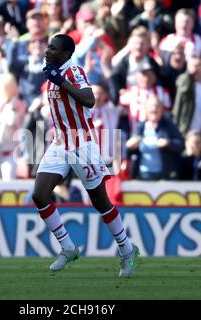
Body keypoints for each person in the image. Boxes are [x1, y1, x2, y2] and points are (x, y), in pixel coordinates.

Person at [32, 34, 139, 277]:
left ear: (66, 54)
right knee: (39, 195)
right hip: (60, 142)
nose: (48, 51)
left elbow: (89, 100)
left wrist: (61, 81)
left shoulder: (72, 71)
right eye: (48, 46)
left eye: (54, 48)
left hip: (82, 142)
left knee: (99, 201)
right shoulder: (52, 72)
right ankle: (68, 247)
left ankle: (126, 248)